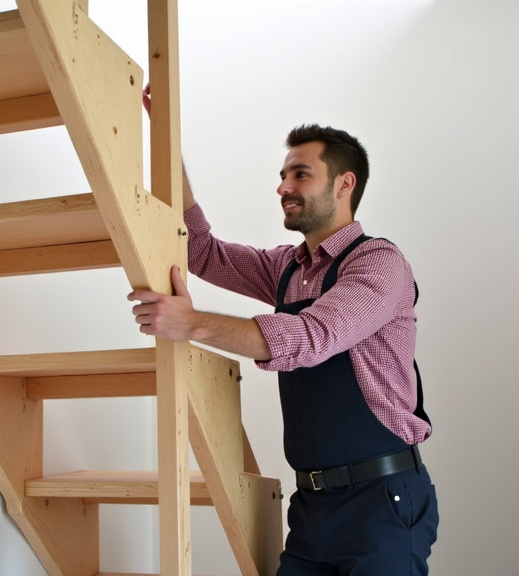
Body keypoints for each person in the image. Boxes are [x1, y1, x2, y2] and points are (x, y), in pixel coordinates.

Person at [129, 89, 438, 576]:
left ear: (344, 184)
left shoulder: (379, 264)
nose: (283, 187)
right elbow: (203, 250)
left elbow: (310, 337)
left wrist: (191, 324)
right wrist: (167, 137)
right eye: (282, 175)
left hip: (381, 501)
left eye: (300, 174)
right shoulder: (288, 268)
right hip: (313, 506)